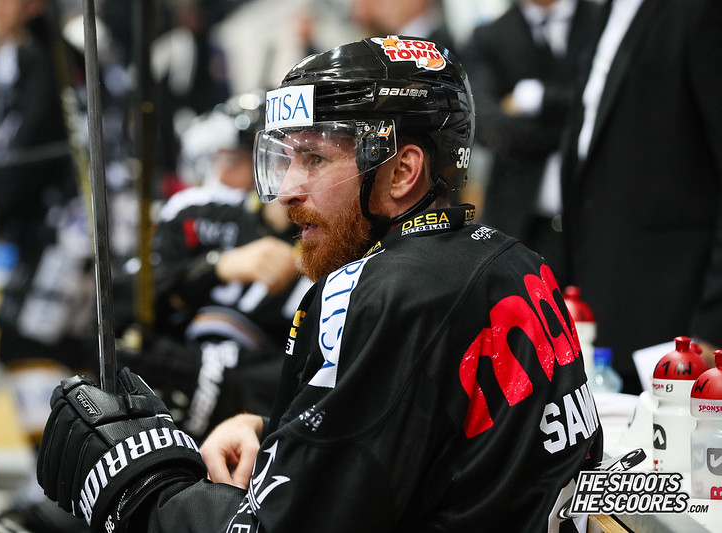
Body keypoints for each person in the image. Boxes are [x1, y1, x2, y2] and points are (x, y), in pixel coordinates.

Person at [37, 36, 602, 532]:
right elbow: (424, 447)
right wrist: (280, 435)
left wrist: (143, 487)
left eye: (313, 159)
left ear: (402, 171)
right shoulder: (516, 261)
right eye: (286, 159)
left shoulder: (377, 292)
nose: (287, 190)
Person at [115, 92, 312, 441]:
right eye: (281, 158)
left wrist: (211, 378)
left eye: (313, 160)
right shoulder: (201, 214)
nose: (291, 176)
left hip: (255, 422)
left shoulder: (337, 244)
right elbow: (118, 304)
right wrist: (215, 268)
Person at [559, 0, 722, 393]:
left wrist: (712, 326)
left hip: (677, 329)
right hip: (601, 315)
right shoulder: (602, 15)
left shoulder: (699, 12)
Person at [464, 0, 602, 284]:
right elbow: (490, 128)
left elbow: (612, 101)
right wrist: (574, 123)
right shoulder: (490, 37)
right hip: (521, 226)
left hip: (600, 218)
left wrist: (537, 99)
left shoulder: (601, 20)